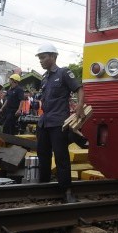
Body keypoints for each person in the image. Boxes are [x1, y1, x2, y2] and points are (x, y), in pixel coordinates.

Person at [35, 42, 84, 203]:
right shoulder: (44, 78)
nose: (41, 61)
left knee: (61, 157)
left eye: (43, 57)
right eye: (40, 58)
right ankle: (43, 186)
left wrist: (79, 107)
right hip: (44, 123)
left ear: (53, 57)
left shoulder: (63, 73)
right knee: (43, 156)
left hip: (58, 123)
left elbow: (79, 89)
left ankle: (67, 191)